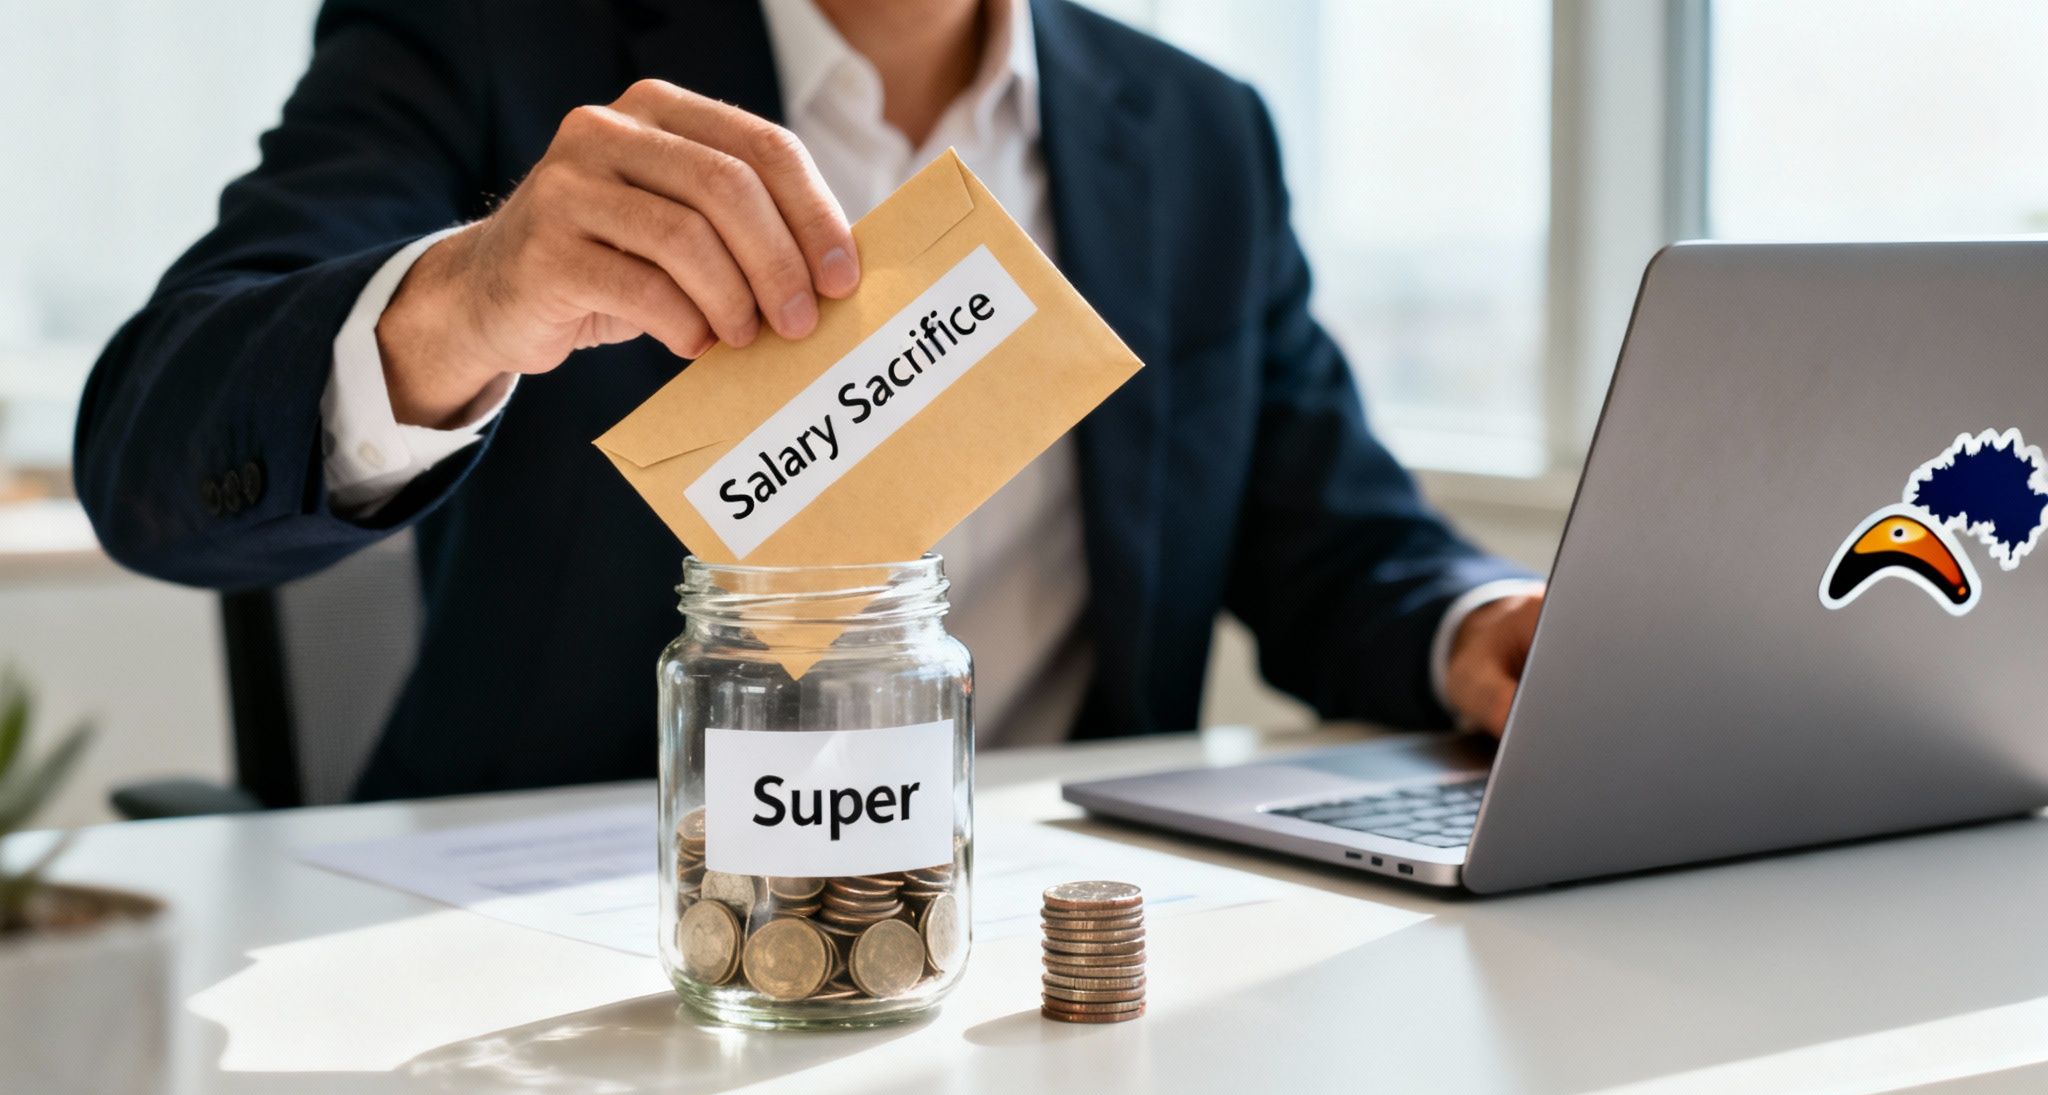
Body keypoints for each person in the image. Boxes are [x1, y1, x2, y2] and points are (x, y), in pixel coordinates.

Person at [75, 0, 1545, 801]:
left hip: (1050, 942)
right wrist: (471, 295)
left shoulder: (1202, 136)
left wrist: (1482, 631)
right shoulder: (486, 41)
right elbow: (154, 457)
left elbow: (1336, 544)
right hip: (578, 933)